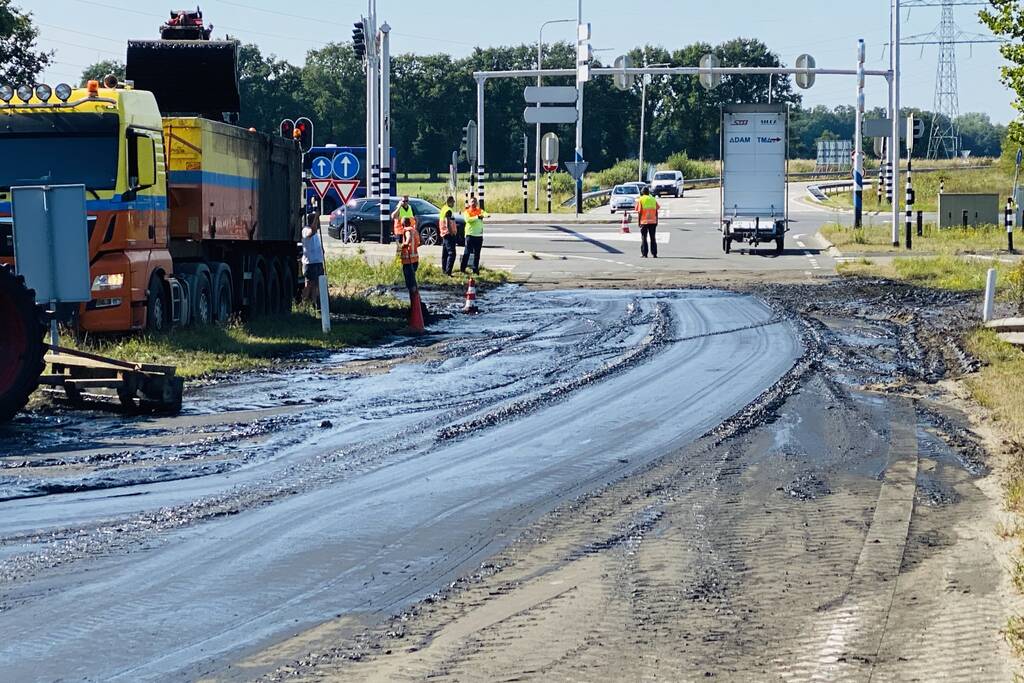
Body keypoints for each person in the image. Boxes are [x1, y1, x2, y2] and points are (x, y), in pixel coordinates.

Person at [301, 209, 326, 304]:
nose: (319, 224)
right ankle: (304, 303)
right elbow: (313, 231)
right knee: (309, 284)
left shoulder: (316, 233)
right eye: (317, 222)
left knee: (316, 285)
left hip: (318, 262)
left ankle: (314, 304)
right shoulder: (306, 230)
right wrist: (316, 216)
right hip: (310, 263)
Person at [460, 197, 489, 274]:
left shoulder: (479, 210)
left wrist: (485, 215)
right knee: (467, 252)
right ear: (469, 203)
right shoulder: (467, 212)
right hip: (470, 235)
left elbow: (486, 214)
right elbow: (468, 220)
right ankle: (462, 269)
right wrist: (477, 217)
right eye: (472, 202)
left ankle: (475, 269)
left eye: (475, 202)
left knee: (477, 254)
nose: (473, 203)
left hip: (478, 235)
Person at [634, 186, 660, 258]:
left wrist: (639, 222)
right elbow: (656, 211)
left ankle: (644, 254)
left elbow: (639, 212)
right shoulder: (653, 199)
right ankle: (654, 253)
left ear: (642, 192)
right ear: (648, 192)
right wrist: (656, 220)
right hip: (653, 221)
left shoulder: (641, 199)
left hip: (644, 222)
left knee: (644, 238)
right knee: (653, 238)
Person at [399, 216, 421, 294]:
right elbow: (420, 242)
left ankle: (414, 300)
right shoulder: (414, 231)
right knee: (413, 280)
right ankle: (416, 299)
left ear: (403, 224)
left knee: (410, 282)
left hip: (408, 260)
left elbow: (408, 240)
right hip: (415, 260)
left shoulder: (407, 231)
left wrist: (403, 245)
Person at [439, 195, 458, 276]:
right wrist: (451, 232)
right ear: (449, 201)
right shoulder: (448, 210)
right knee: (452, 253)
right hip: (448, 234)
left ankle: (444, 270)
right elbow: (448, 223)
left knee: (445, 253)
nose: (454, 203)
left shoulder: (443, 208)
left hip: (444, 233)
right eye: (453, 201)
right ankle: (448, 272)